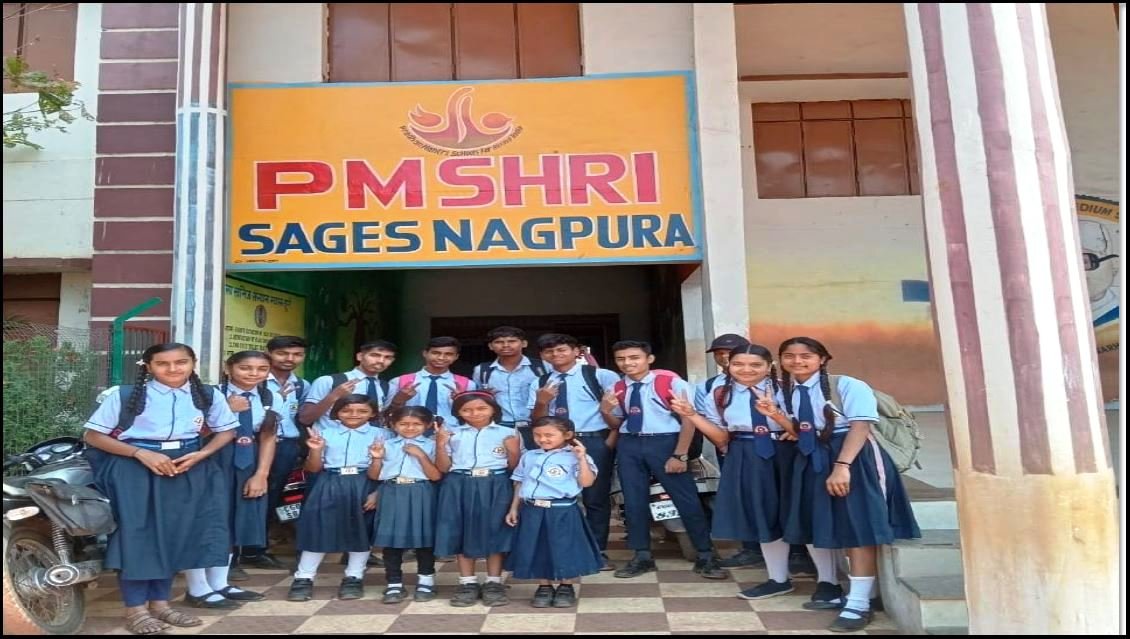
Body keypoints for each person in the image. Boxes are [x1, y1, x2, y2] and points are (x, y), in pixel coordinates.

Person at [83, 343, 238, 634]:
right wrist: (141, 453)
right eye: (163, 363)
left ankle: (161, 605)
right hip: (134, 469)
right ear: (148, 366)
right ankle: (136, 609)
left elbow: (226, 431)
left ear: (193, 363)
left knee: (174, 534)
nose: (173, 369)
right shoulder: (124, 395)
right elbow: (93, 436)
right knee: (137, 536)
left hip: (185, 467)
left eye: (181, 362)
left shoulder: (208, 395)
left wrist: (201, 454)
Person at [777, 337, 921, 632]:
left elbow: (860, 426)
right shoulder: (787, 390)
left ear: (822, 359)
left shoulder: (848, 385)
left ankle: (859, 604)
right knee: (831, 524)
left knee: (858, 527)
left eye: (806, 356)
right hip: (815, 458)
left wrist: (842, 467)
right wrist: (776, 416)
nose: (797, 361)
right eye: (789, 356)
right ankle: (858, 593)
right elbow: (804, 429)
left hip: (854, 457)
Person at [683, 343, 842, 604]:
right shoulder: (720, 394)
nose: (746, 370)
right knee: (764, 516)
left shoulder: (788, 388)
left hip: (791, 454)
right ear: (728, 366)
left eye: (755, 365)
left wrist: (784, 423)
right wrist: (691, 415)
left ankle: (829, 582)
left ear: (769, 366)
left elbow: (805, 425)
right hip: (746, 454)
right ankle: (778, 579)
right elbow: (721, 437)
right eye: (738, 364)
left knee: (805, 514)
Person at [605, 340, 725, 580]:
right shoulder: (617, 387)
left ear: (649, 359)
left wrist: (680, 454)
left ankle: (705, 554)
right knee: (633, 501)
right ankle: (641, 555)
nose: (627, 363)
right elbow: (617, 424)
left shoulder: (670, 382)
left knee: (686, 498)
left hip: (665, 442)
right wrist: (605, 410)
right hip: (630, 443)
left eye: (634, 357)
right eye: (621, 359)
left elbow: (689, 419)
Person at [183, 351, 281, 608]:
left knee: (232, 522)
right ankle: (197, 587)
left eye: (261, 369)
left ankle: (219, 583)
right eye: (245, 368)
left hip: (248, 462)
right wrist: (226, 409)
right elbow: (191, 432)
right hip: (210, 461)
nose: (253, 374)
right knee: (206, 521)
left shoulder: (269, 396)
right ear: (228, 368)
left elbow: (268, 436)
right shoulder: (207, 394)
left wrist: (261, 474)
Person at [528, 333, 620, 570]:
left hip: (592, 439)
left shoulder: (600, 375)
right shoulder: (540, 382)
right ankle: (563, 550)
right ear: (542, 355)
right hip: (555, 444)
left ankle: (597, 551)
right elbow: (536, 421)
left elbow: (618, 412)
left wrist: (608, 442)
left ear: (577, 351)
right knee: (557, 496)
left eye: (561, 349)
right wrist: (542, 401)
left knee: (595, 497)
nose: (555, 355)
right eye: (549, 351)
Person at [286, 395, 386, 602]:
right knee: (318, 528)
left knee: (361, 531)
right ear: (336, 412)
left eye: (362, 411)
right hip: (329, 481)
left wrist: (378, 493)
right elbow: (313, 468)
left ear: (373, 414)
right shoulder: (325, 433)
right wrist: (316, 450)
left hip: (365, 482)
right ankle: (304, 578)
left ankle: (354, 577)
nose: (354, 415)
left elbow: (388, 467)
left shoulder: (382, 435)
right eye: (346, 410)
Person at [504, 416, 603, 608]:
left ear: (567, 435)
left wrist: (581, 458)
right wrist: (514, 507)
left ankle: (566, 585)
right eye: (537, 435)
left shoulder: (575, 457)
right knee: (538, 547)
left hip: (562, 510)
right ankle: (544, 586)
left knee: (565, 547)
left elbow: (587, 482)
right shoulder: (529, 456)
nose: (542, 439)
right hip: (533, 510)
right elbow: (519, 482)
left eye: (549, 435)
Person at [434, 391, 521, 607]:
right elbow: (443, 467)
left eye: (482, 408)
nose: (475, 413)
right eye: (467, 410)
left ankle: (494, 582)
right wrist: (440, 444)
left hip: (496, 483)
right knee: (462, 531)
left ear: (493, 409)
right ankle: (467, 583)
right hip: (459, 483)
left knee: (495, 530)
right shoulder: (452, 433)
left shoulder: (509, 432)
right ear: (458, 412)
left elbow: (516, 468)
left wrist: (513, 451)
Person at [236, 335, 309, 572]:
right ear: (269, 353)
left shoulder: (301, 385)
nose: (290, 359)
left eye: (297, 354)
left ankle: (258, 548)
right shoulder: (253, 381)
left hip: (286, 446)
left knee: (274, 497)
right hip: (253, 444)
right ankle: (238, 551)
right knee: (243, 493)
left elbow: (301, 418)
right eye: (282, 353)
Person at [694, 334, 763, 570]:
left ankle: (793, 551)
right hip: (732, 448)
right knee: (741, 498)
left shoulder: (773, 383)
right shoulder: (710, 386)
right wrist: (723, 447)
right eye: (719, 353)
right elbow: (709, 421)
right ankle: (751, 548)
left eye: (729, 352)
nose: (723, 356)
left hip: (771, 447)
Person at [371, 406, 443, 604]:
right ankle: (394, 582)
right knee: (391, 539)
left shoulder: (432, 445)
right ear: (393, 425)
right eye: (403, 424)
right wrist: (377, 458)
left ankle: (426, 581)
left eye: (416, 424)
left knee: (424, 539)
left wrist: (420, 455)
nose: (410, 428)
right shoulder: (385, 444)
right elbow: (374, 475)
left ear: (427, 425)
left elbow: (436, 476)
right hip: (392, 491)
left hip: (421, 491)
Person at [471, 326, 545, 446]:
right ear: (490, 346)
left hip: (536, 426)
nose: (505, 345)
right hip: (499, 426)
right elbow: (477, 399)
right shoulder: (482, 370)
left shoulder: (541, 367)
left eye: (512, 341)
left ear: (524, 343)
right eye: (499, 342)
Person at [387, 336, 476, 431]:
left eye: (448, 354)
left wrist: (461, 401)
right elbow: (387, 414)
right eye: (435, 353)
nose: (441, 358)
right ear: (425, 353)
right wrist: (398, 401)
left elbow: (473, 415)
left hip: (451, 433)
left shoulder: (467, 384)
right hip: (410, 432)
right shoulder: (399, 381)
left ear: (456, 357)